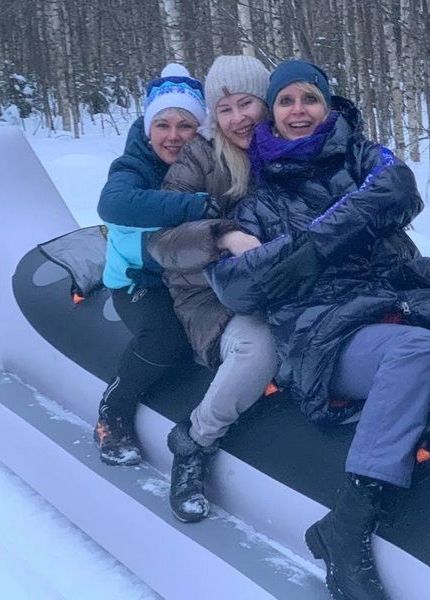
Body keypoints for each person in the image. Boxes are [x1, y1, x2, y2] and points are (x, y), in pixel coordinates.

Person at [206, 59, 430, 600]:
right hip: (325, 334)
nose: (299, 111)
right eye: (286, 101)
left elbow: (399, 188)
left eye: (309, 98)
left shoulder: (362, 156)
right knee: (415, 350)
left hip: (406, 299)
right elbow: (233, 284)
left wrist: (317, 243)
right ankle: (350, 522)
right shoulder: (259, 198)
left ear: (327, 104)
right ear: (272, 114)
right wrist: (293, 256)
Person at [147, 55, 277, 523]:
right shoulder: (199, 159)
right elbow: (161, 241)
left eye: (247, 104)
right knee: (258, 347)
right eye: (225, 109)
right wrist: (221, 236)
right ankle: (194, 442)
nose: (238, 118)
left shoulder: (292, 146)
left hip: (286, 285)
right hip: (211, 292)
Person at [95, 63, 216, 466]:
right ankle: (114, 409)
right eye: (162, 125)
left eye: (186, 125)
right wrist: (197, 206)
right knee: (167, 338)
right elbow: (113, 204)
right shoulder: (134, 166)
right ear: (148, 129)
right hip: (141, 280)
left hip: (195, 279)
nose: (174, 136)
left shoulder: (209, 161)